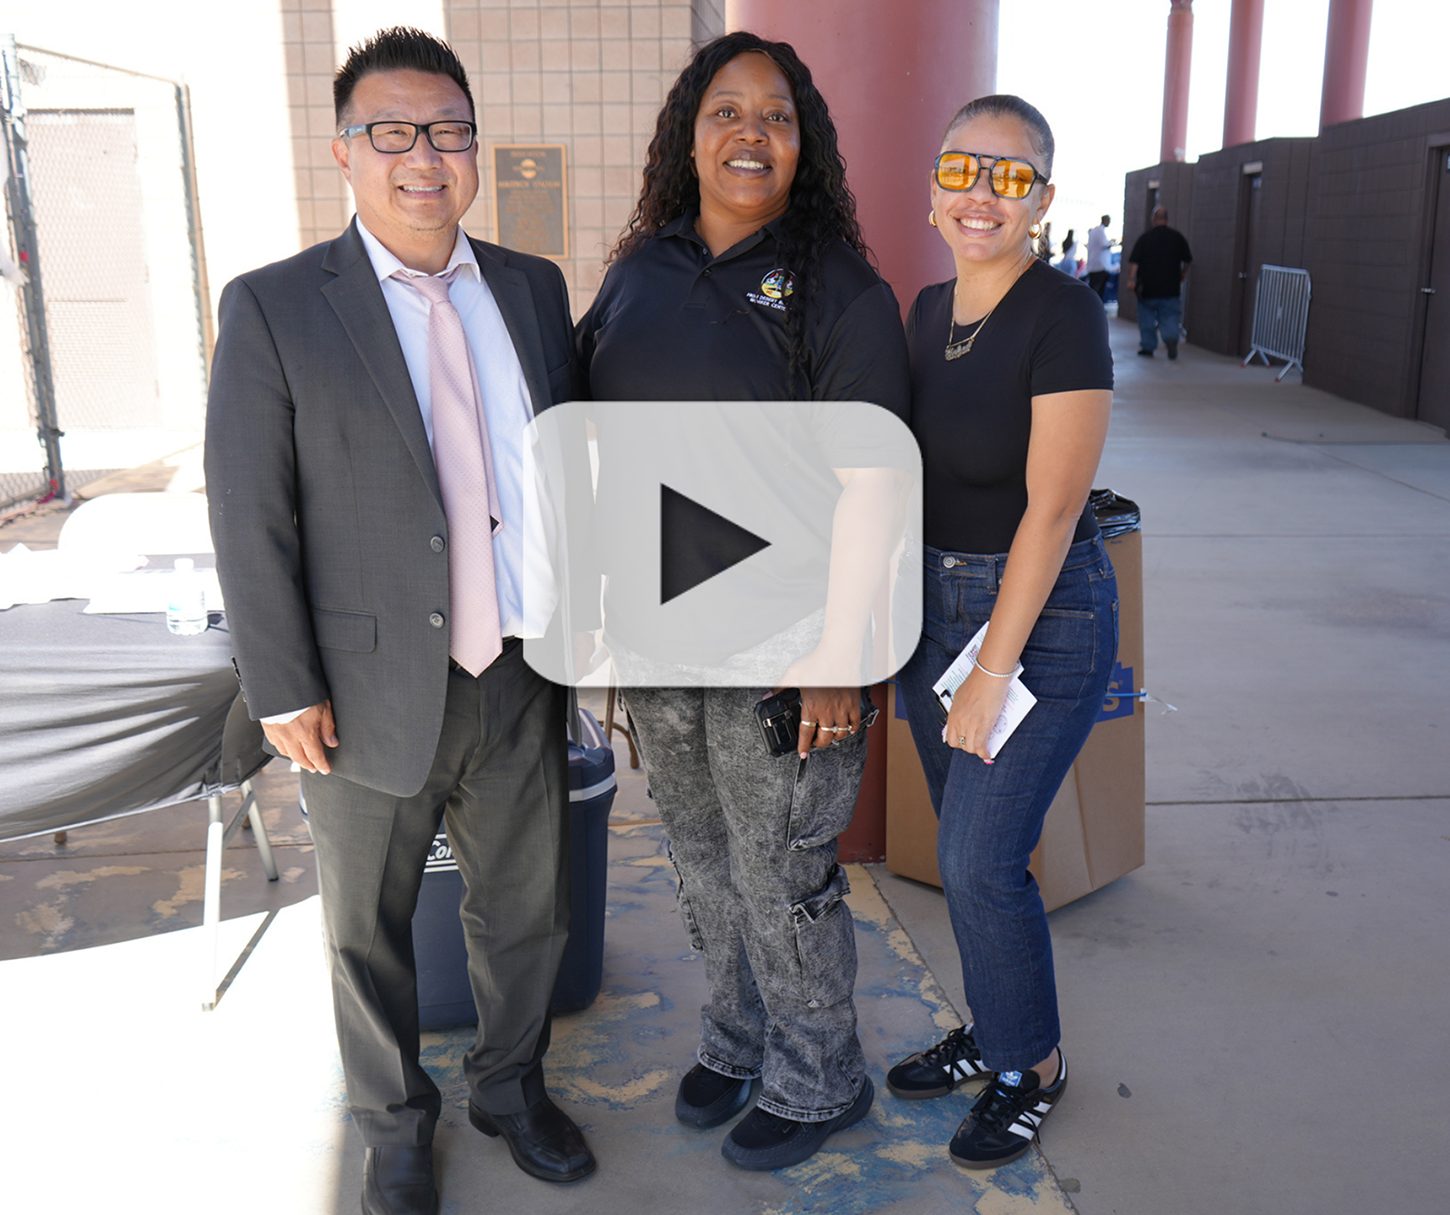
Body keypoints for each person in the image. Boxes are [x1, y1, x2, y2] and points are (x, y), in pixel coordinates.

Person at [204, 27, 593, 1215]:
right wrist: (281, 683)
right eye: (391, 132)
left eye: (448, 131)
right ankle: (391, 1124)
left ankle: (510, 1089)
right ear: (345, 151)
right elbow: (250, 508)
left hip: (519, 664)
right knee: (365, 930)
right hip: (359, 686)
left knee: (527, 912)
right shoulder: (276, 306)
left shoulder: (531, 287)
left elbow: (560, 467)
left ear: (475, 148)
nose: (424, 156)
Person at [576, 31, 909, 1172]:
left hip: (784, 638)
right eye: (726, 110)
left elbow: (873, 483)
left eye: (776, 115)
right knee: (702, 856)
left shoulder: (839, 288)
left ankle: (821, 1079)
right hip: (658, 632)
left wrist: (839, 653)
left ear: (803, 144)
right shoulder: (642, 269)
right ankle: (736, 1038)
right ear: (689, 134)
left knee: (783, 873)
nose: (750, 132)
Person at [887, 94, 1117, 1171]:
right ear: (934, 187)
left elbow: (1054, 509)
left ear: (1043, 200)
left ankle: (1033, 1064)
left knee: (979, 862)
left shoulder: (1062, 314)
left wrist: (991, 664)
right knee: (965, 849)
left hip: (1038, 617)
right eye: (962, 168)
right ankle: (994, 1029)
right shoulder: (925, 308)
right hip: (932, 611)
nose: (982, 193)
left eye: (1011, 176)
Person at [1127, 206, 1192, 358]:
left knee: (1146, 319)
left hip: (1147, 289)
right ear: (1167, 219)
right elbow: (1188, 260)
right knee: (1170, 316)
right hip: (1171, 288)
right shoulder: (1177, 237)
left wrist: (1131, 280)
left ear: (1153, 219)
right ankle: (1171, 339)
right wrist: (1183, 274)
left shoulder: (1145, 238)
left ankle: (1148, 346)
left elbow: (1134, 262)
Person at [1085, 214, 1114, 299]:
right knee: (1097, 292)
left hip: (1094, 266)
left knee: (1094, 291)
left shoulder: (1094, 231)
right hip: (1099, 267)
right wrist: (1113, 243)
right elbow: (1105, 245)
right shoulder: (1099, 231)